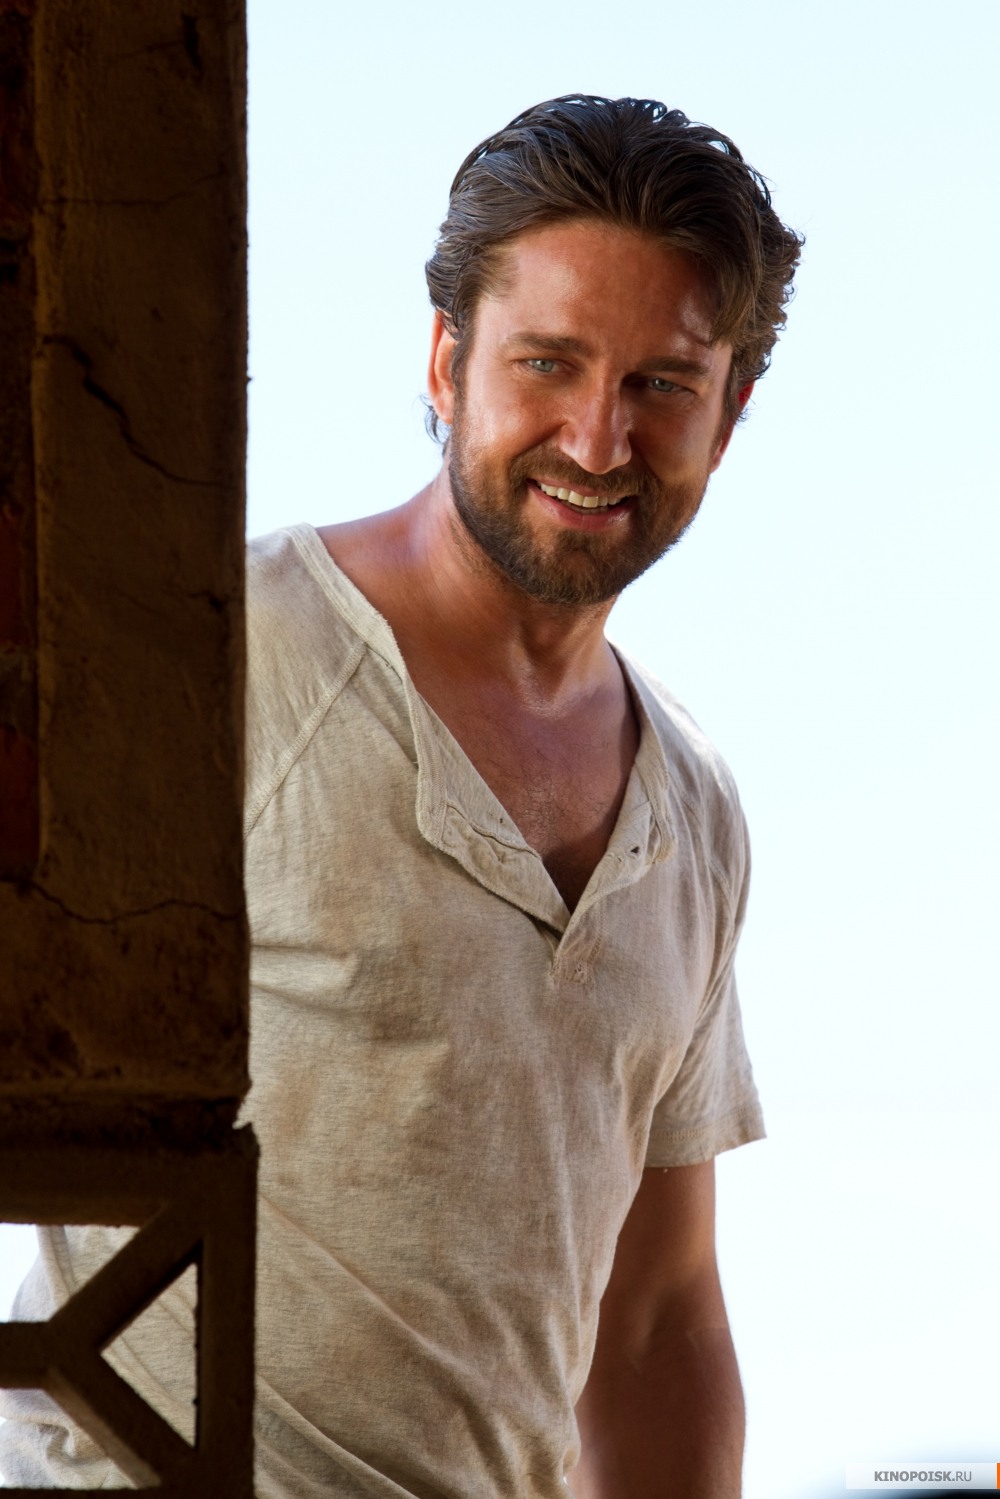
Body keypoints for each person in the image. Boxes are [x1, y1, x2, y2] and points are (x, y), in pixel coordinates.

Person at [0, 95, 801, 1496]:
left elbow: (656, 1320)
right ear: (446, 361)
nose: (598, 439)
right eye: (547, 362)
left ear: (729, 417)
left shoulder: (696, 814)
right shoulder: (220, 662)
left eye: (663, 385)